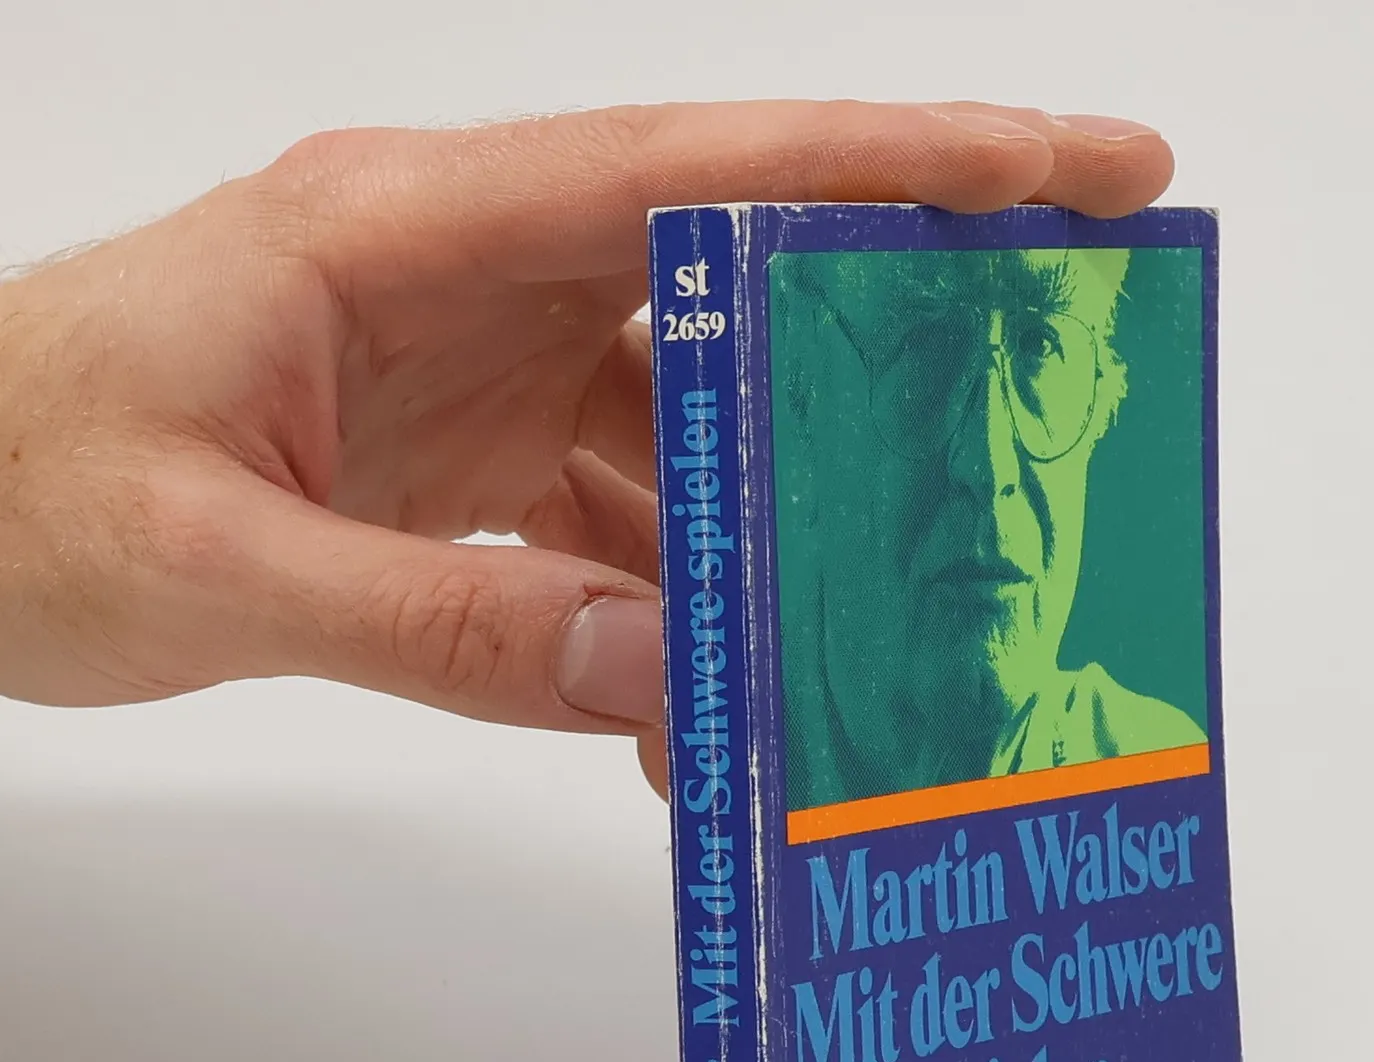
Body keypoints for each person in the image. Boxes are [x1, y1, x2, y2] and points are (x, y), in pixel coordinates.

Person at [0, 101, 1174, 796]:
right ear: (813, 418)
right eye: (919, 359)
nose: (983, 457)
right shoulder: (801, 750)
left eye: (1041, 349)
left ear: (1107, 404)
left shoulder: (1150, 754)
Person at [775, 242, 1205, 810]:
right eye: (924, 346)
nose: (990, 465)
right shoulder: (736, 766)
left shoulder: (1152, 780)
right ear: (803, 394)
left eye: (1039, 344)